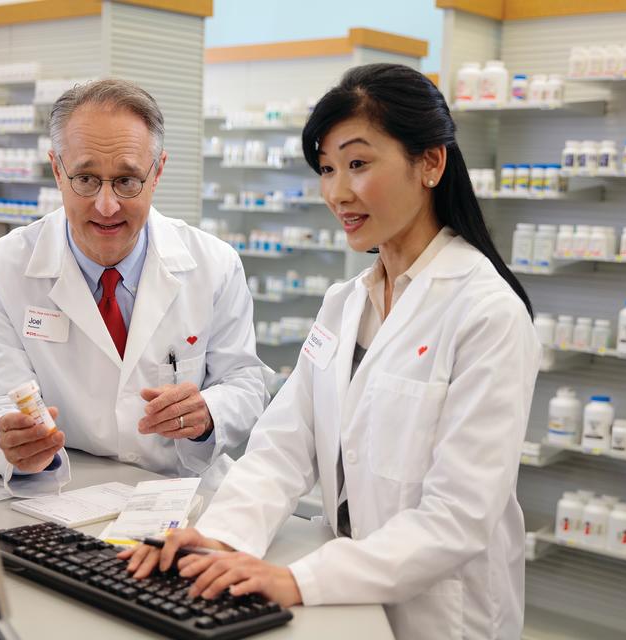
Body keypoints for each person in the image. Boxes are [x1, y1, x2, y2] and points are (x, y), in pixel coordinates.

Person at [122, 63, 540, 640]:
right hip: (347, 599)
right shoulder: (346, 304)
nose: (337, 192)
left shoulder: (486, 312)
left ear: (431, 163)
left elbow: (459, 517)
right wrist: (221, 538)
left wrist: (296, 581)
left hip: (442, 616)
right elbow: (283, 448)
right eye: (326, 169)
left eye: (358, 164)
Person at [0, 79, 269, 495]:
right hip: (65, 491)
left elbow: (245, 381)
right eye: (86, 179)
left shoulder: (214, 264)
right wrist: (12, 444)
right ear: (57, 170)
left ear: (157, 172)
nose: (106, 206)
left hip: (181, 491)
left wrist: (209, 413)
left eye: (127, 181)